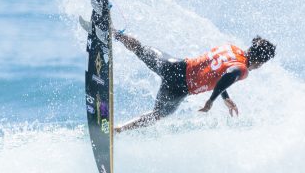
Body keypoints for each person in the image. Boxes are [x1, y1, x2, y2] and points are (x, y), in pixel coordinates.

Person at [110, 30, 276, 133]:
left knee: (140, 49)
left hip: (175, 66)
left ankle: (112, 31)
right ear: (261, 62)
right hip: (179, 88)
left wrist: (225, 97)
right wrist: (211, 100)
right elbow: (228, 74)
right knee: (157, 115)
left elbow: (219, 72)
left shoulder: (231, 48)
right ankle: (118, 130)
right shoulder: (243, 69)